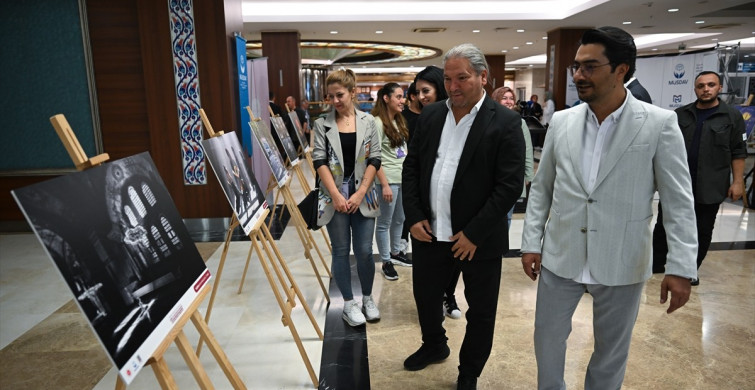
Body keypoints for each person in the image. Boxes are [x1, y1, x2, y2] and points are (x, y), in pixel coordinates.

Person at [520, 26, 698, 390]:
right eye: (576, 66)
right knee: (547, 341)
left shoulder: (659, 124)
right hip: (561, 255)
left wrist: (681, 266)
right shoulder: (563, 122)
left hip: (623, 258)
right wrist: (531, 242)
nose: (578, 75)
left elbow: (678, 202)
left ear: (621, 70)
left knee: (611, 352)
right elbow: (543, 188)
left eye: (589, 67)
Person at [402, 43, 524, 390]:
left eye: (462, 78)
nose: (453, 86)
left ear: (483, 77)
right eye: (448, 78)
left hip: (476, 240)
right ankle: (434, 345)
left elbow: (509, 185)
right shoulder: (431, 114)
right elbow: (412, 168)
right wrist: (413, 217)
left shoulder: (506, 122)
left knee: (480, 311)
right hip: (429, 231)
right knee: (426, 297)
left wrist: (474, 233)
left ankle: (469, 371)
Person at [652, 71, 747, 283]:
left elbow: (739, 151)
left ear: (719, 87)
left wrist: (738, 182)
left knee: (702, 229)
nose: (706, 89)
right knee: (664, 225)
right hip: (678, 184)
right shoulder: (680, 114)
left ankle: (689, 270)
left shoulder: (732, 116)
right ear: (695, 89)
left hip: (711, 184)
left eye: (711, 85)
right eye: (701, 86)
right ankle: (656, 262)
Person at [312, 68, 382, 327]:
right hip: (334, 195)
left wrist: (361, 191)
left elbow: (375, 157)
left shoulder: (369, 121)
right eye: (330, 97)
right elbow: (318, 160)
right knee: (341, 250)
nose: (335, 101)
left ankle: (367, 298)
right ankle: (349, 303)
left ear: (353, 92)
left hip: (364, 193)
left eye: (340, 95)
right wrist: (335, 195)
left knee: (364, 250)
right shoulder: (322, 124)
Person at [412, 65, 462, 320]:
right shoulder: (425, 118)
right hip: (426, 209)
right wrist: (413, 214)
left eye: (426, 90)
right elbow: (412, 166)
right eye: (418, 91)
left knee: (453, 259)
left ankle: (449, 295)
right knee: (429, 266)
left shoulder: (461, 119)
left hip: (458, 212)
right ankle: (432, 313)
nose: (421, 96)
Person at [372, 82, 411, 281]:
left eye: (402, 96)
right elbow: (375, 157)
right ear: (386, 98)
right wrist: (385, 184)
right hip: (388, 181)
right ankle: (386, 261)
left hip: (403, 178)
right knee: (384, 222)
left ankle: (396, 253)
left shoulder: (398, 120)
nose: (402, 100)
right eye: (398, 96)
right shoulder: (378, 123)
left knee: (400, 219)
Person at [491, 86, 534, 231]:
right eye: (504, 98)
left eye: (511, 98)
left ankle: (501, 248)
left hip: (511, 177)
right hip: (490, 177)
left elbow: (527, 150)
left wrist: (528, 176)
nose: (509, 101)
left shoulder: (518, 122)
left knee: (507, 216)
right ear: (496, 100)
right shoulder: (488, 120)